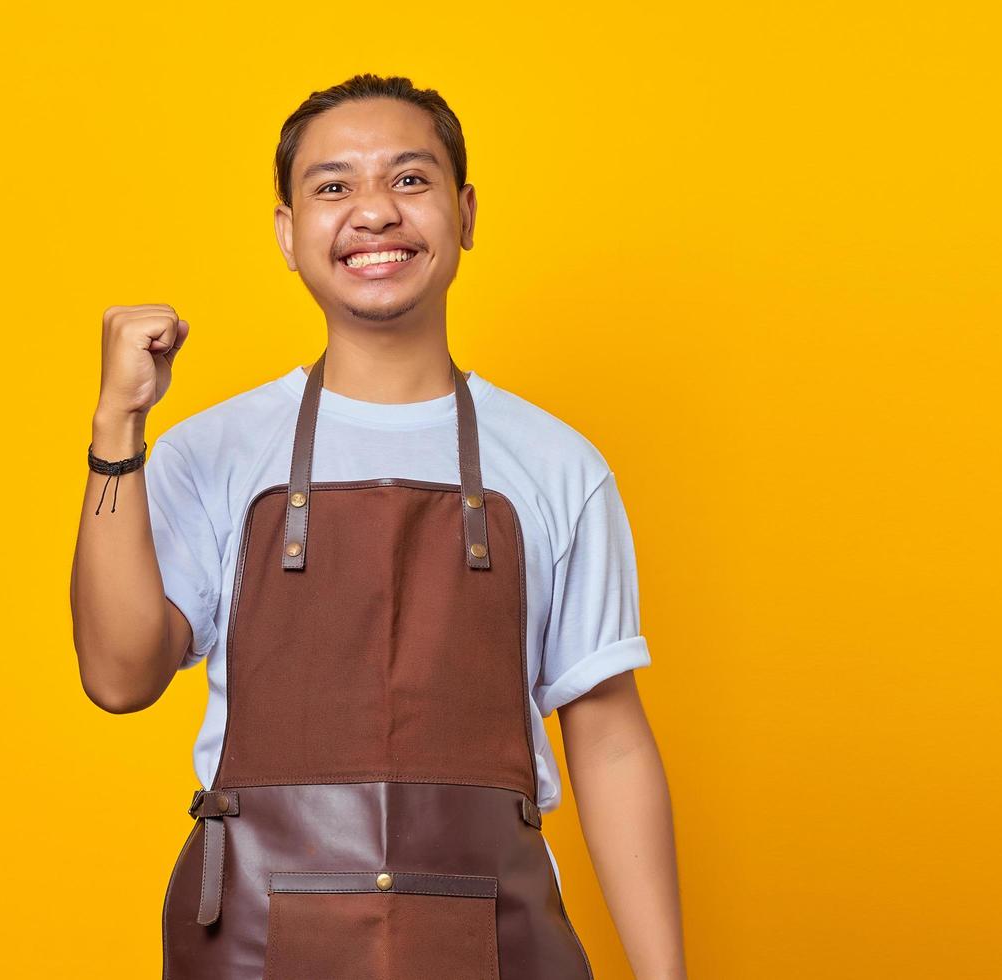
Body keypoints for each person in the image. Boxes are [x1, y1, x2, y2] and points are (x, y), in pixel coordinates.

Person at [70, 73, 686, 980]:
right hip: (252, 942)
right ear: (287, 232)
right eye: (332, 187)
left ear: (464, 213)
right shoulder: (213, 451)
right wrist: (116, 431)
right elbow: (119, 676)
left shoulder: (560, 465)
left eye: (409, 180)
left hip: (497, 940)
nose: (373, 214)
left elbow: (609, 735)